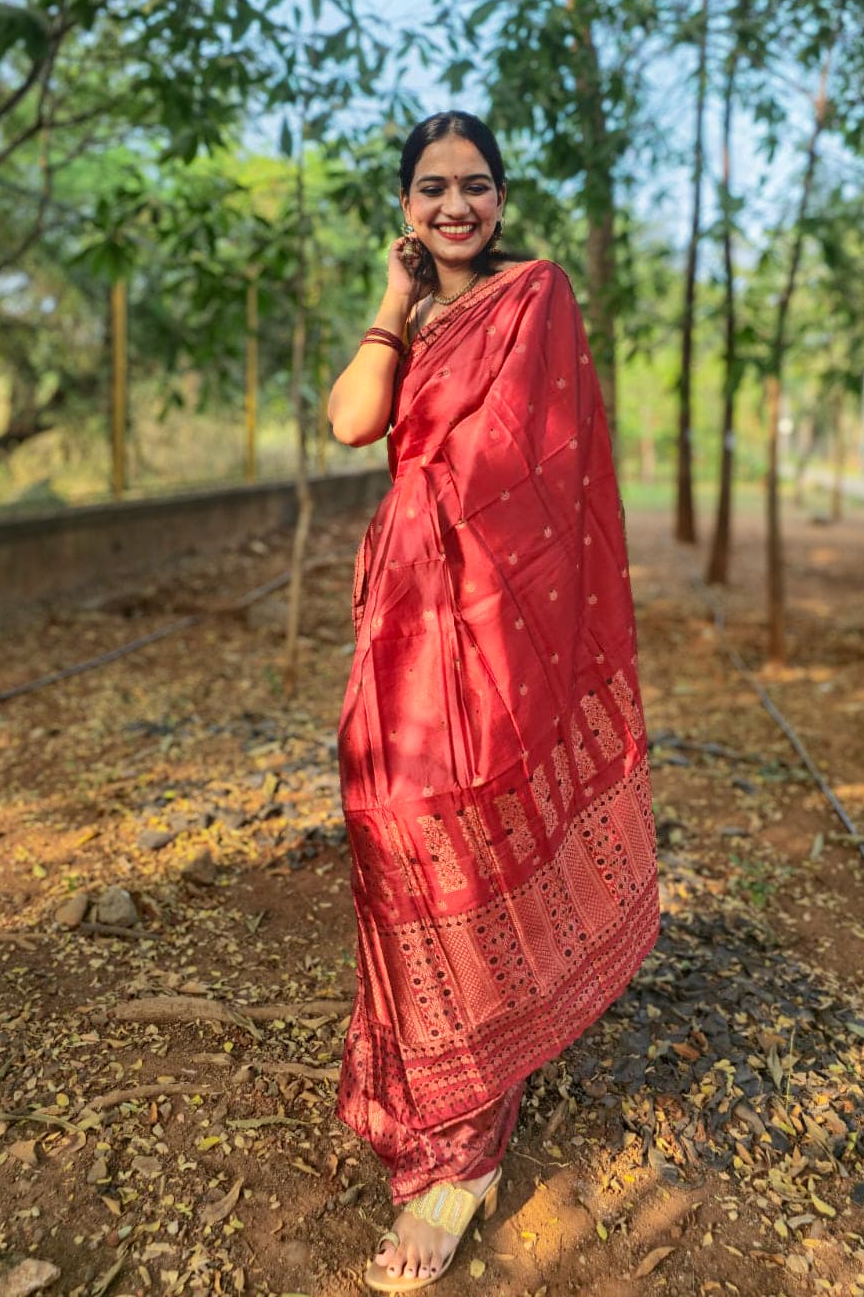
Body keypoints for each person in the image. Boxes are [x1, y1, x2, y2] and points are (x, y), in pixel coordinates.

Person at [327, 110, 659, 1293]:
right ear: (407, 206)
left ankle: (460, 1152)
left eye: (474, 186)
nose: (454, 205)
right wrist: (393, 299)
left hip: (493, 611)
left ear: (503, 199)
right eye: (431, 188)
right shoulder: (419, 313)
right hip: (403, 613)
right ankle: (429, 1072)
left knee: (457, 829)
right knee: (386, 823)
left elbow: (545, 468)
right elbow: (353, 420)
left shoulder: (538, 299)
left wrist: (482, 578)